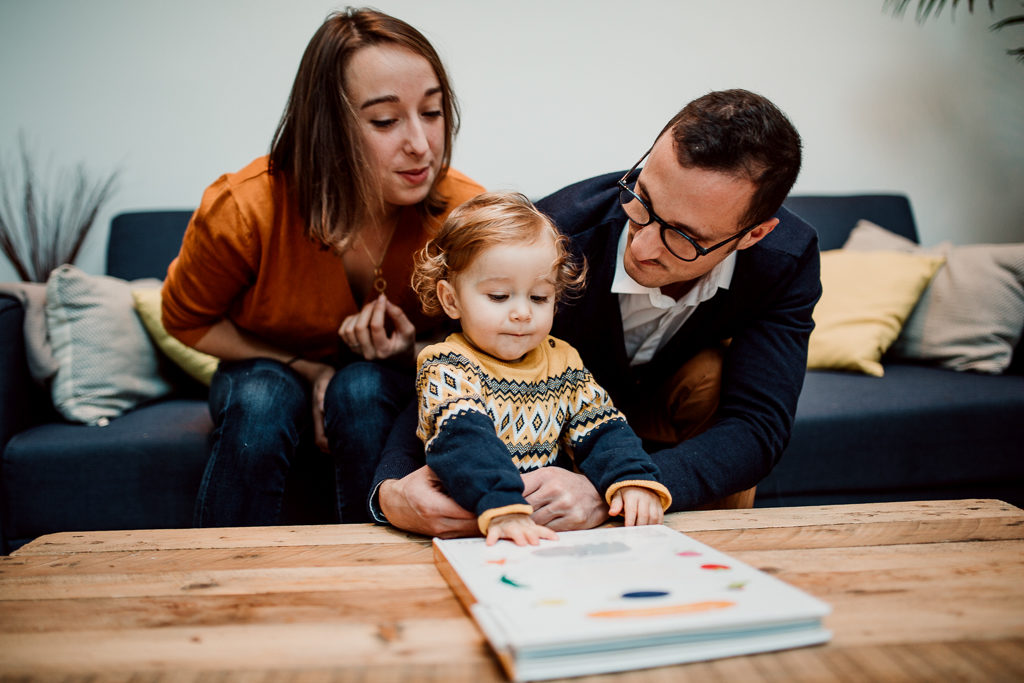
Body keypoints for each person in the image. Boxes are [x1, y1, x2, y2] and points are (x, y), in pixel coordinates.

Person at [370, 89, 821, 537]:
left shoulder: (787, 260)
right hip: (548, 415)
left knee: (711, 377)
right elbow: (452, 371)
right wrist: (392, 490)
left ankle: (708, 561)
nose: (642, 246)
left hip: (636, 422)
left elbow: (756, 425)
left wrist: (620, 488)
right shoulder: (550, 240)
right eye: (643, 200)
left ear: (753, 234)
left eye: (684, 237)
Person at [161, 8, 484, 527]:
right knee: (262, 397)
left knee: (360, 389)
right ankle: (222, 571)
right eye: (385, 120)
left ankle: (381, 567)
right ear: (327, 127)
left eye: (432, 111)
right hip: (266, 369)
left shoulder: (465, 215)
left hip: (389, 380)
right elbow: (185, 319)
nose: (421, 144)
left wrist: (411, 351)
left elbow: (502, 342)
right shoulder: (244, 209)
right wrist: (309, 369)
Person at [410, 191, 670, 545]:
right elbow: (465, 441)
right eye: (499, 296)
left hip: (546, 531)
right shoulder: (447, 365)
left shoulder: (563, 361)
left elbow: (602, 428)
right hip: (475, 526)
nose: (522, 313)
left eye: (539, 297)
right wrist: (503, 505)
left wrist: (631, 479)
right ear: (451, 299)